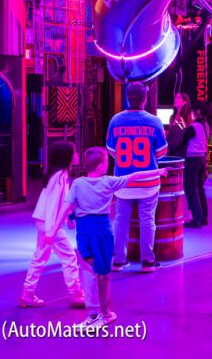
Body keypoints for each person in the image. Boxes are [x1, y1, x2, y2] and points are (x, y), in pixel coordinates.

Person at [50, 147, 167, 328]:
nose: (108, 164)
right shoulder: (109, 182)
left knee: (89, 268)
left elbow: (66, 208)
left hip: (83, 233)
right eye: (106, 162)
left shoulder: (78, 183)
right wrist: (158, 171)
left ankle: (94, 312)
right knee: (103, 274)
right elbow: (135, 176)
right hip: (101, 232)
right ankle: (103, 314)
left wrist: (53, 231)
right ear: (99, 166)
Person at [107, 81, 168, 272]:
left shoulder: (115, 120)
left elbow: (112, 150)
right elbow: (161, 152)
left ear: (127, 97)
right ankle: (147, 261)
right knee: (147, 220)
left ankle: (118, 260)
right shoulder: (154, 121)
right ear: (145, 98)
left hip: (123, 182)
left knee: (120, 220)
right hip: (148, 183)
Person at [19, 141, 84, 309]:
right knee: (69, 257)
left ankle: (28, 292)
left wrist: (68, 219)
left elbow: (61, 202)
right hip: (49, 224)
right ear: (67, 157)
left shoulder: (58, 175)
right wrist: (51, 231)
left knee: (40, 255)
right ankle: (76, 294)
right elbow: (54, 204)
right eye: (74, 152)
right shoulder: (60, 176)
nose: (77, 155)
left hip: (44, 221)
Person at [182, 100, 212, 228]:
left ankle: (196, 218)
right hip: (201, 159)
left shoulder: (193, 127)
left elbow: (182, 140)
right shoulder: (206, 125)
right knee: (200, 188)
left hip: (192, 159)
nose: (191, 114)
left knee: (190, 188)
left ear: (198, 112)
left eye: (192, 111)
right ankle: (204, 217)